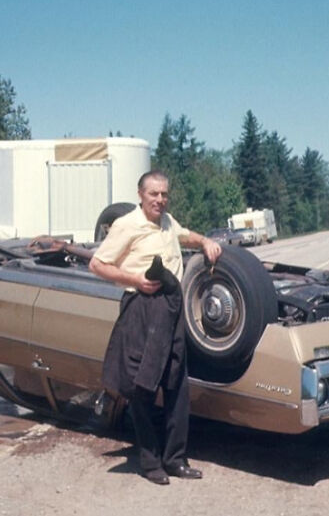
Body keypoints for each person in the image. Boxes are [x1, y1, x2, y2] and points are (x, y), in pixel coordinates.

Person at [89, 170, 222, 485]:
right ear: (140, 194)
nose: (160, 200)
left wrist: (205, 241)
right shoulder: (126, 225)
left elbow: (184, 235)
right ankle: (150, 463)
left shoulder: (166, 221)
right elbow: (97, 264)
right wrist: (135, 280)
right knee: (142, 387)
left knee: (176, 388)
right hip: (142, 309)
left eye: (164, 194)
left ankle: (175, 460)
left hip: (173, 309)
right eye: (154, 194)